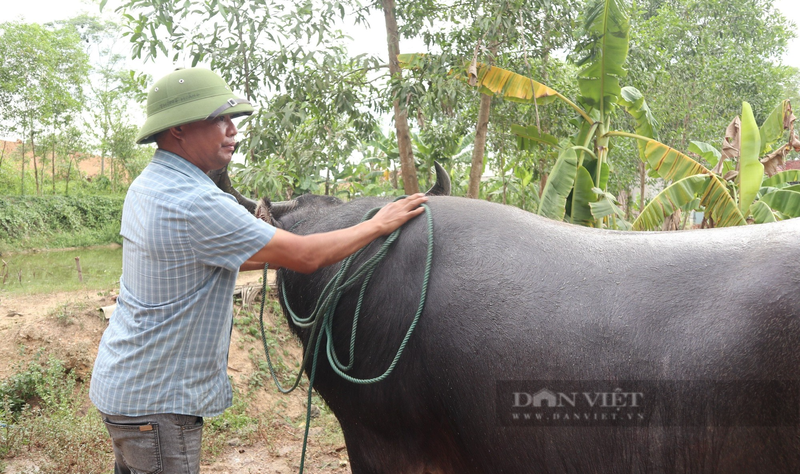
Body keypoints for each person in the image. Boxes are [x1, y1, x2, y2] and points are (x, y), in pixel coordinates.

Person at [89, 67, 427, 474]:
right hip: (157, 405)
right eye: (219, 119)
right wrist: (377, 223)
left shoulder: (150, 184)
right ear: (178, 129)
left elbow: (205, 255)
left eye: (233, 120)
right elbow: (303, 256)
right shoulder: (196, 201)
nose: (232, 130)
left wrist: (274, 251)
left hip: (125, 387)